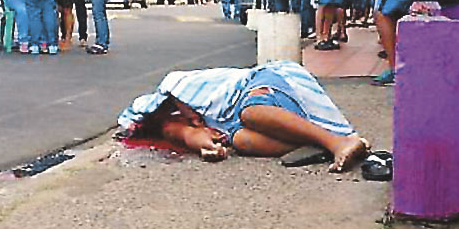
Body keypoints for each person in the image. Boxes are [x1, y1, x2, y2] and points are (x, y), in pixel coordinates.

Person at [118, 61, 370, 172]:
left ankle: (337, 142)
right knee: (242, 141)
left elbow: (178, 88)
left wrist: (185, 109)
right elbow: (185, 133)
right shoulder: (168, 122)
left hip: (262, 82)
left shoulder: (178, 86)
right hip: (236, 121)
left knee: (251, 112)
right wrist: (207, 148)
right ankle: (323, 145)